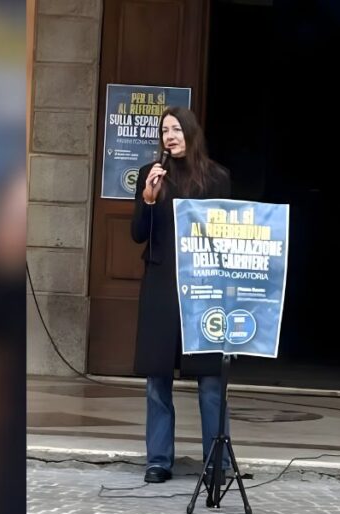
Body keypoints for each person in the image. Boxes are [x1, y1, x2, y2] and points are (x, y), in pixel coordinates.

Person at [131, 107, 231, 483]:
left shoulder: (217, 178)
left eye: (176, 129)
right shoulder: (150, 176)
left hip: (203, 290)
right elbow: (139, 234)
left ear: (191, 133)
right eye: (164, 131)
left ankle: (216, 463)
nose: (169, 136)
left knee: (210, 380)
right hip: (160, 286)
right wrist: (149, 198)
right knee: (158, 379)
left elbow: (225, 235)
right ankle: (158, 460)